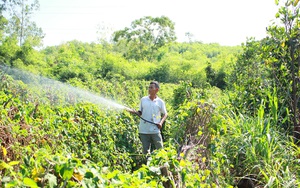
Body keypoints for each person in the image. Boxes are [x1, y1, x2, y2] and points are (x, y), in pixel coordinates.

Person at [127, 81, 168, 154]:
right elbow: (140, 112)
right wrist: (132, 111)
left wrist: (160, 123)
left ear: (157, 90)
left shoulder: (160, 102)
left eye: (151, 88)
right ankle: (147, 164)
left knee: (160, 149)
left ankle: (163, 164)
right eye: (149, 87)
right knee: (145, 151)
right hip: (144, 129)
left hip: (155, 129)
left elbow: (165, 114)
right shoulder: (143, 100)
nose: (149, 89)